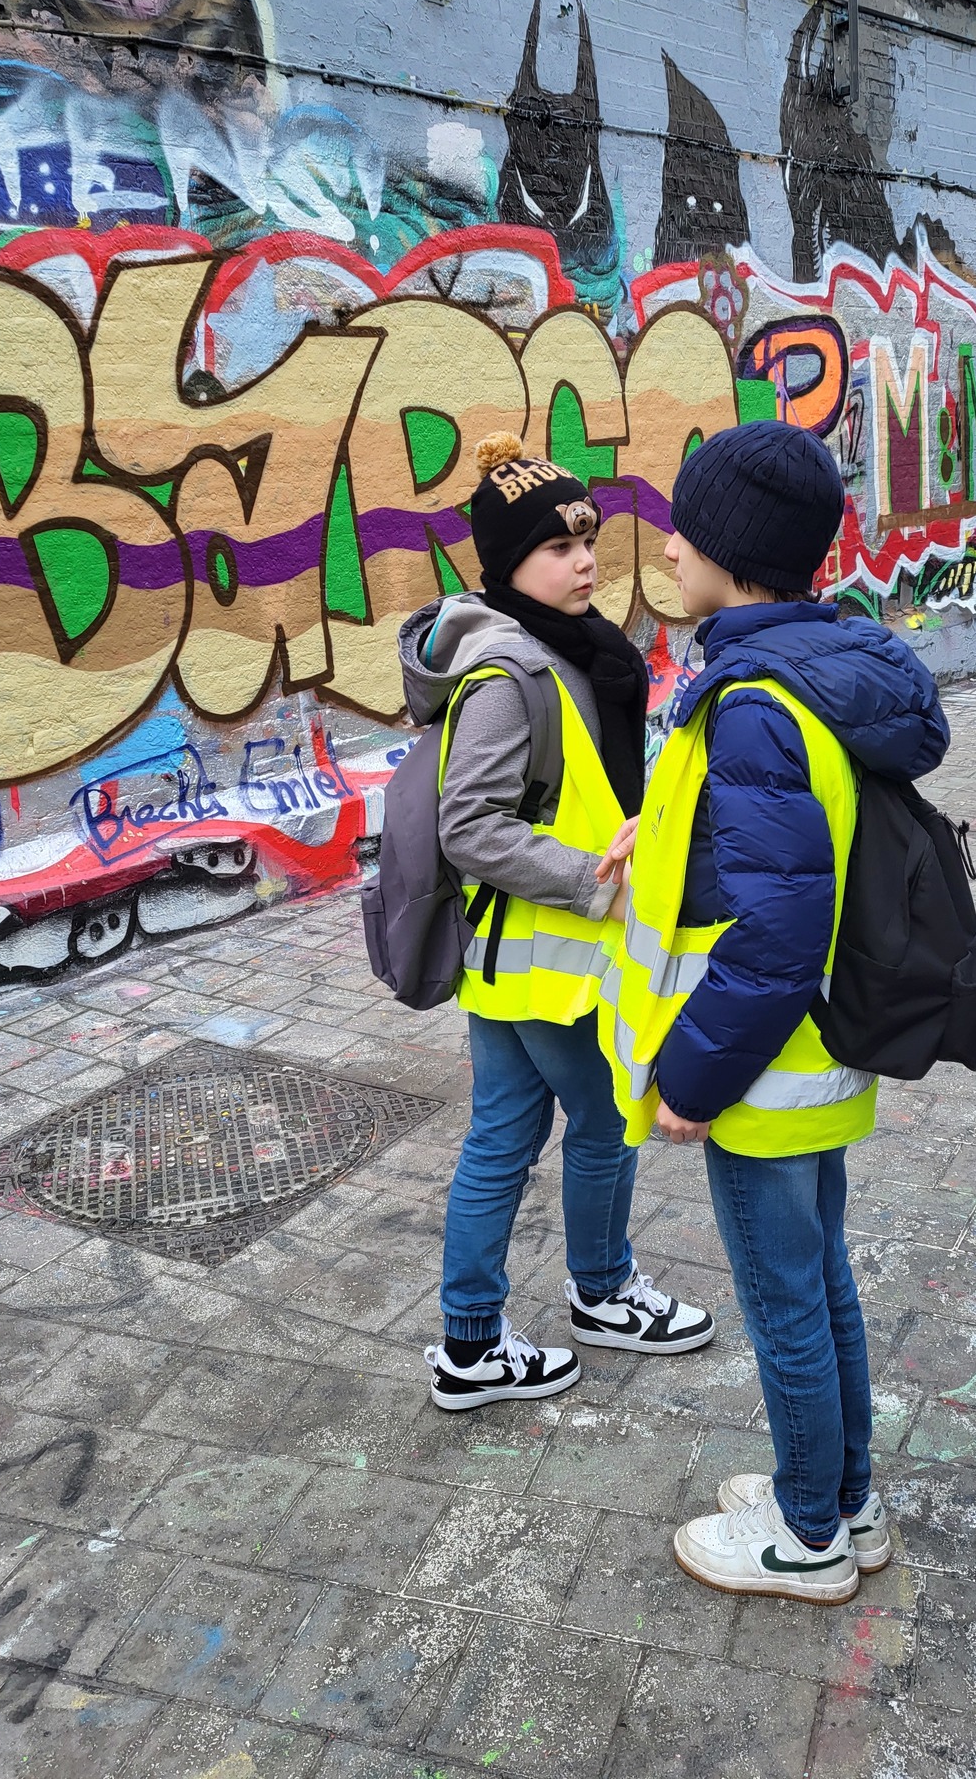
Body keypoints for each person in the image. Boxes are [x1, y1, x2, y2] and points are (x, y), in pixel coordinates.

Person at [597, 421, 949, 1601]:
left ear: (735, 557)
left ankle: (806, 1537)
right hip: (811, 1059)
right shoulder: (812, 666)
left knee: (786, 1301)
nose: (669, 547)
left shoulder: (754, 702)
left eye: (686, 530)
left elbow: (776, 935)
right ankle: (847, 1497)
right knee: (821, 1281)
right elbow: (773, 846)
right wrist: (665, 828)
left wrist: (692, 1080)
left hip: (758, 1070)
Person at [400, 432, 714, 1412]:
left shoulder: (569, 650)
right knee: (607, 1120)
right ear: (508, 563)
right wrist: (594, 881)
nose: (583, 562)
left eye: (587, 540)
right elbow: (468, 827)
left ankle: (470, 1342)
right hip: (549, 960)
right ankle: (604, 1290)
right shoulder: (511, 673)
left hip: (521, 958)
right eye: (557, 546)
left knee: (502, 1136)